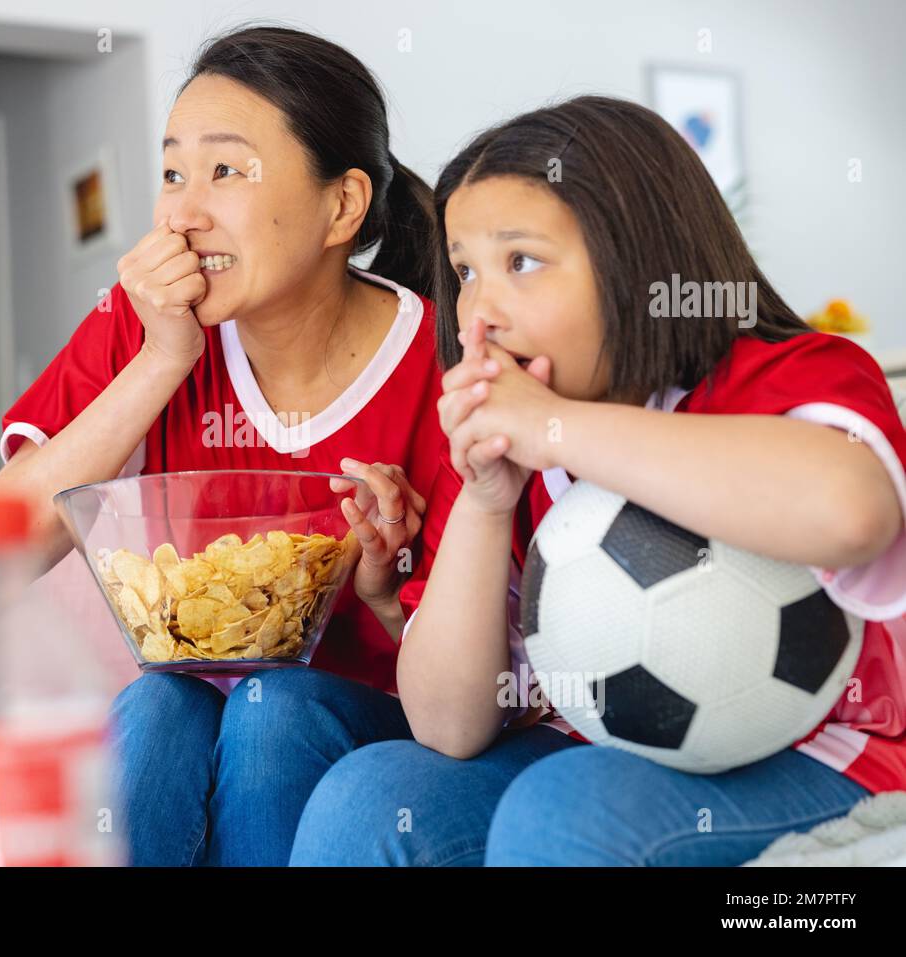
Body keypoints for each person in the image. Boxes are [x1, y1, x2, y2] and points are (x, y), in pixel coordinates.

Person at [289, 95, 906, 866]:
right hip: (607, 747)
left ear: (641, 257)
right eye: (465, 271)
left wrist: (554, 425)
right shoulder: (511, 453)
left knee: (567, 811)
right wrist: (486, 501)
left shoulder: (791, 373)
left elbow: (850, 512)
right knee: (373, 794)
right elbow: (448, 723)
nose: (478, 314)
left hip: (831, 753)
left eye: (521, 262)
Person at [0, 25, 464, 865]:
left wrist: (389, 587)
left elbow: (479, 675)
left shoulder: (443, 362)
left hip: (377, 739)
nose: (183, 211)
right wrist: (160, 363)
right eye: (173, 173)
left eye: (226, 170)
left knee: (273, 708)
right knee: (157, 706)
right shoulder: (143, 330)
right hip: (191, 732)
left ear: (342, 205)